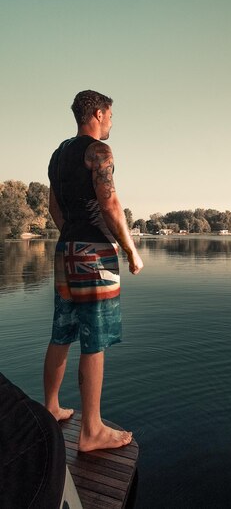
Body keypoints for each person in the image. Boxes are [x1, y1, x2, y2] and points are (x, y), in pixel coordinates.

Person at [43, 90, 143, 452]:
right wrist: (131, 250)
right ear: (98, 113)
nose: (112, 122)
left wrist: (71, 236)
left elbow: (55, 207)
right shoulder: (98, 151)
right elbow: (111, 202)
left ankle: (51, 408)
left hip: (66, 249)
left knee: (61, 332)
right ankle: (92, 431)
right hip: (94, 254)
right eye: (111, 116)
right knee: (95, 339)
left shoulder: (58, 153)